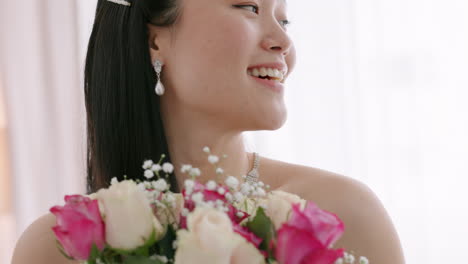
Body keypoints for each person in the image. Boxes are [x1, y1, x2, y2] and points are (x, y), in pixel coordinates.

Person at [12, 0, 405, 263]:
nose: (283, 42)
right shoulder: (55, 247)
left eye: (283, 19)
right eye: (249, 7)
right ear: (154, 39)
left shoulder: (338, 215)